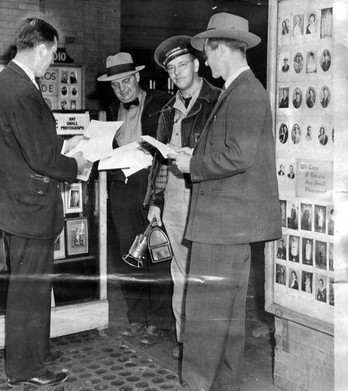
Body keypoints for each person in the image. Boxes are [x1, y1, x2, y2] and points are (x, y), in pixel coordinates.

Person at [168, 13, 281, 391]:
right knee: (229, 317)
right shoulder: (242, 89)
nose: (207, 62)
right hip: (231, 224)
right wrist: (196, 151)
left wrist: (191, 163)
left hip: (222, 225)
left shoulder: (245, 90)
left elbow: (240, 155)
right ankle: (223, 384)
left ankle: (197, 384)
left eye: (208, 53)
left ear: (221, 50)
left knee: (203, 315)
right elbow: (233, 149)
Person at [0, 18, 91, 388]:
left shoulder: (4, 82)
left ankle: (37, 351)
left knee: (34, 282)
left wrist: (61, 146)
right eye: (53, 55)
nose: (52, 64)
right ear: (42, 49)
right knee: (29, 287)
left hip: (14, 199)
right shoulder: (21, 90)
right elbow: (40, 157)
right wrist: (77, 163)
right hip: (27, 203)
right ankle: (25, 368)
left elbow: (23, 144)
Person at [146, 35, 220, 357]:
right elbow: (160, 162)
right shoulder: (167, 109)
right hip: (175, 198)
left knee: (204, 275)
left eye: (181, 65)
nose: (176, 73)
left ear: (196, 64)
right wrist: (156, 202)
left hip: (204, 198)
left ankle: (206, 344)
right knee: (180, 274)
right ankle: (185, 340)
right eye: (171, 69)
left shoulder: (217, 101)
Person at [97, 52, 173, 345]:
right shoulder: (111, 109)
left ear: (137, 77)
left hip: (150, 184)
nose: (122, 89)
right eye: (116, 85)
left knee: (156, 253)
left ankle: (158, 322)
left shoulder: (160, 102)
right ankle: (137, 319)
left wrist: (160, 195)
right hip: (121, 186)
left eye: (126, 81)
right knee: (128, 256)